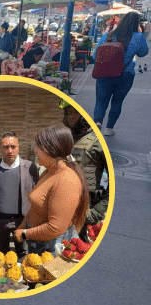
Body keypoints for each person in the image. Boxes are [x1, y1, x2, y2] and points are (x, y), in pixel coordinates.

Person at [14, 125, 89, 255]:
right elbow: (37, 205)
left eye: (39, 147)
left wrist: (25, 234)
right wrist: (23, 224)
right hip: (39, 243)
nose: (35, 151)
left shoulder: (66, 180)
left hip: (53, 248)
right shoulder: (49, 171)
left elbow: (56, 228)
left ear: (52, 150)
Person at [0, 132, 39, 256]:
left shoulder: (29, 167)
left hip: (22, 220)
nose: (10, 150)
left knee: (23, 253)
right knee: (2, 254)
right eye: (6, 147)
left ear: (18, 147)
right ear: (0, 148)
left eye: (13, 146)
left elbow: (36, 193)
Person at [93, 11, 149, 136]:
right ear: (137, 23)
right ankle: (109, 128)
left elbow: (94, 55)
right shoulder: (138, 36)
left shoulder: (108, 35)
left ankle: (97, 122)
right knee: (117, 102)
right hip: (125, 74)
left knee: (101, 101)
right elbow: (143, 52)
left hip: (104, 74)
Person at [60, 100, 108, 239]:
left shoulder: (96, 141)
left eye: (76, 112)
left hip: (88, 210)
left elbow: (111, 183)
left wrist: (96, 212)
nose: (72, 116)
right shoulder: (67, 140)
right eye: (69, 113)